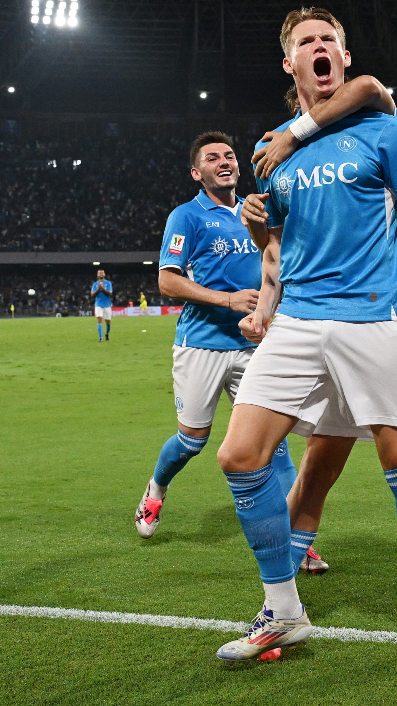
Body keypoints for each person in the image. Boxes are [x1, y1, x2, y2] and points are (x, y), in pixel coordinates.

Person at [212, 8, 397, 674]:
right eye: (306, 42)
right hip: (298, 323)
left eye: (328, 40)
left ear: (342, 55)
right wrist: (256, 235)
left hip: (373, 320)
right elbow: (276, 249)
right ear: (290, 63)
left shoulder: (384, 130)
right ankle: (283, 610)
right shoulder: (272, 151)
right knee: (239, 457)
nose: (319, 48)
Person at [131, 132, 318, 576]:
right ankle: (156, 489)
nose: (224, 161)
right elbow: (168, 282)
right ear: (197, 173)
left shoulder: (259, 210)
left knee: (274, 449)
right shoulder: (187, 216)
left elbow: (279, 264)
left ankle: (298, 541)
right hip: (200, 345)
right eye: (212, 158)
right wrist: (227, 299)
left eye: (230, 155)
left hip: (255, 346)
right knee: (192, 441)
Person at [92, 269, 113, 341]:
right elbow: (92, 294)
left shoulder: (108, 283)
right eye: (99, 273)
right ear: (97, 275)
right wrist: (98, 289)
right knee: (99, 319)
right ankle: (101, 338)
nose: (101, 274)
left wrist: (102, 288)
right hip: (98, 304)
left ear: (104, 274)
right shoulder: (95, 284)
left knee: (108, 322)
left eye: (102, 273)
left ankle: (106, 333)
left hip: (107, 304)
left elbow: (110, 293)